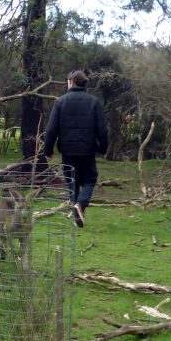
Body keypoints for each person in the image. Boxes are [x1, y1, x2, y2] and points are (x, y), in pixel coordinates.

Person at [42, 70, 108, 228]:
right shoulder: (94, 102)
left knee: (72, 181)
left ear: (71, 82)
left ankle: (77, 209)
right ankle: (80, 208)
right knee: (89, 180)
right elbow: (103, 129)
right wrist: (103, 148)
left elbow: (51, 129)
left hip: (68, 150)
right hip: (87, 150)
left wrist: (48, 150)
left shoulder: (61, 102)